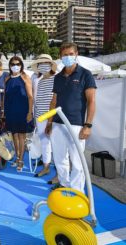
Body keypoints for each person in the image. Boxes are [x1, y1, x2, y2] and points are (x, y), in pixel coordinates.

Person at [45, 42, 96, 192]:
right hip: (58, 123)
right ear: (60, 57)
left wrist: (88, 125)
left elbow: (91, 101)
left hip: (76, 124)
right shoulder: (58, 77)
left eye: (70, 54)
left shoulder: (85, 74)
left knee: (77, 161)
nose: (67, 57)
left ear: (76, 54)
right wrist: (49, 122)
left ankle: (77, 190)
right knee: (60, 158)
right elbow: (54, 101)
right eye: (64, 55)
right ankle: (64, 183)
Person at [4, 56, 33, 172]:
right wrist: (4, 111)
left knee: (21, 136)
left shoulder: (25, 78)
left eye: (17, 64)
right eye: (13, 64)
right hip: (10, 110)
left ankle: (21, 160)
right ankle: (17, 157)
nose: (15, 66)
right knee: (14, 135)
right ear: (10, 66)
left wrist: (30, 112)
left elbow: (30, 97)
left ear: (21, 65)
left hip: (22, 110)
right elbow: (5, 96)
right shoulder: (7, 79)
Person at [30, 54, 57, 178]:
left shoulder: (57, 78)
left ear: (51, 65)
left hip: (53, 116)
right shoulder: (38, 81)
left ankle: (59, 171)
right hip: (39, 116)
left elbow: (56, 99)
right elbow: (36, 99)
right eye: (40, 64)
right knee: (44, 141)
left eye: (46, 63)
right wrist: (35, 116)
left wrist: (52, 119)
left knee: (56, 143)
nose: (43, 66)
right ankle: (46, 166)